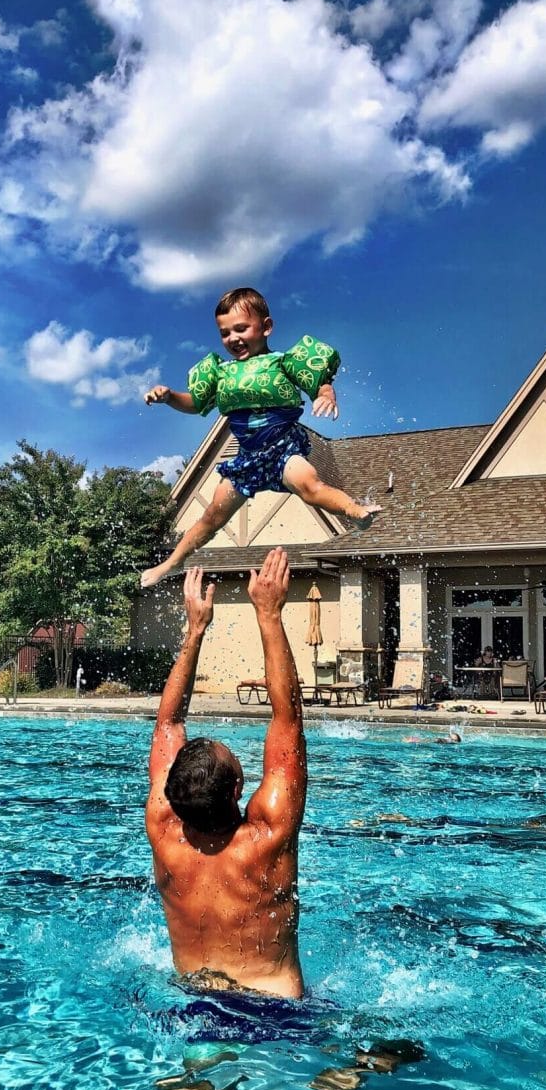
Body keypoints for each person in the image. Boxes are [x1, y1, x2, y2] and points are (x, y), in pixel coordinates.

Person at [145, 546, 307, 999]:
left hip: (195, 1005)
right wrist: (269, 616)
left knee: (199, 1067)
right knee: (397, 1049)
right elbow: (288, 719)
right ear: (238, 788)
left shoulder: (163, 831)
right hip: (277, 1013)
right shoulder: (267, 839)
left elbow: (167, 724)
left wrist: (195, 630)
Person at [140, 288, 381, 587]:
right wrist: (170, 397)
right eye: (225, 333)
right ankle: (173, 563)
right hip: (247, 460)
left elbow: (320, 383)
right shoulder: (222, 374)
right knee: (213, 516)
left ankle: (354, 510)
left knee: (310, 486)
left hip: (283, 449)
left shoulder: (282, 363)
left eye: (241, 328)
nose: (233, 338)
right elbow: (195, 404)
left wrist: (327, 393)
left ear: (266, 327)